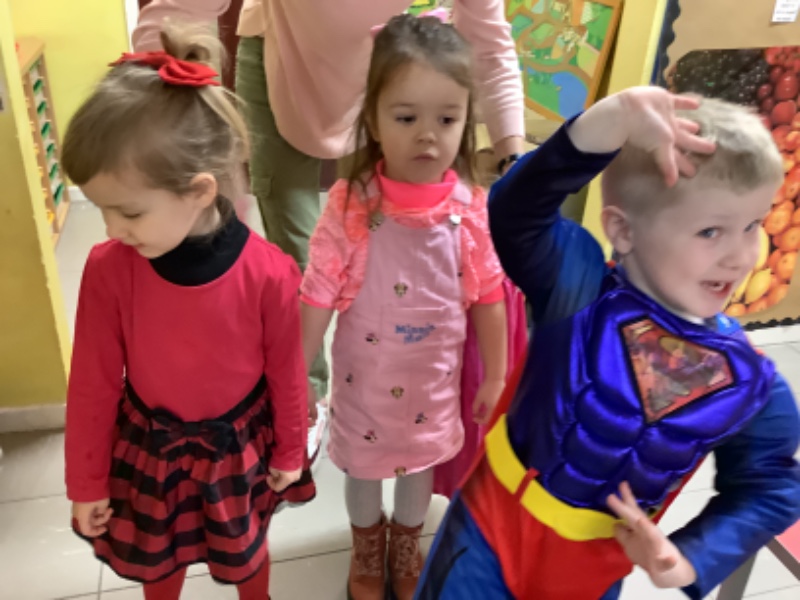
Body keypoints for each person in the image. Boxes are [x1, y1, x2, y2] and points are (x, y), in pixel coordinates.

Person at [415, 87, 800, 599]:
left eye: (752, 225)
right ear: (622, 229)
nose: (740, 257)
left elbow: (772, 485)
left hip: (592, 569)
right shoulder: (576, 287)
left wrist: (688, 558)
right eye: (711, 231)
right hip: (488, 529)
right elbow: (515, 212)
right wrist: (603, 125)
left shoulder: (750, 383)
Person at [132, 0, 525, 410]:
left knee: (387, 263)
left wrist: (514, 165)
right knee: (301, 258)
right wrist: (145, 122)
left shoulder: (464, 202)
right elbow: (175, 16)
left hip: (393, 76)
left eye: (448, 120)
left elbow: (490, 48)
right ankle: (307, 396)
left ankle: (375, 390)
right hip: (283, 58)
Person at [62, 24, 314, 600]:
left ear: (200, 191)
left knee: (247, 551)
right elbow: (92, 385)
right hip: (150, 448)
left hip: (238, 448)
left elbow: (287, 372)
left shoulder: (270, 273)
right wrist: (86, 481)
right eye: (102, 210)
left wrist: (290, 449)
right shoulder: (109, 270)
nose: (112, 229)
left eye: (129, 212)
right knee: (158, 559)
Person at [299, 14, 508, 600]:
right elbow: (316, 293)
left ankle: (407, 542)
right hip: (365, 381)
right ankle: (367, 545)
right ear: (373, 119)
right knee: (364, 466)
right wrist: (295, 372)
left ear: (467, 120)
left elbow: (489, 294)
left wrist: (496, 374)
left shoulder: (470, 209)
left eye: (447, 119)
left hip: (432, 383)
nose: (427, 136)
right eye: (406, 117)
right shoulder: (351, 206)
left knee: (419, 461)